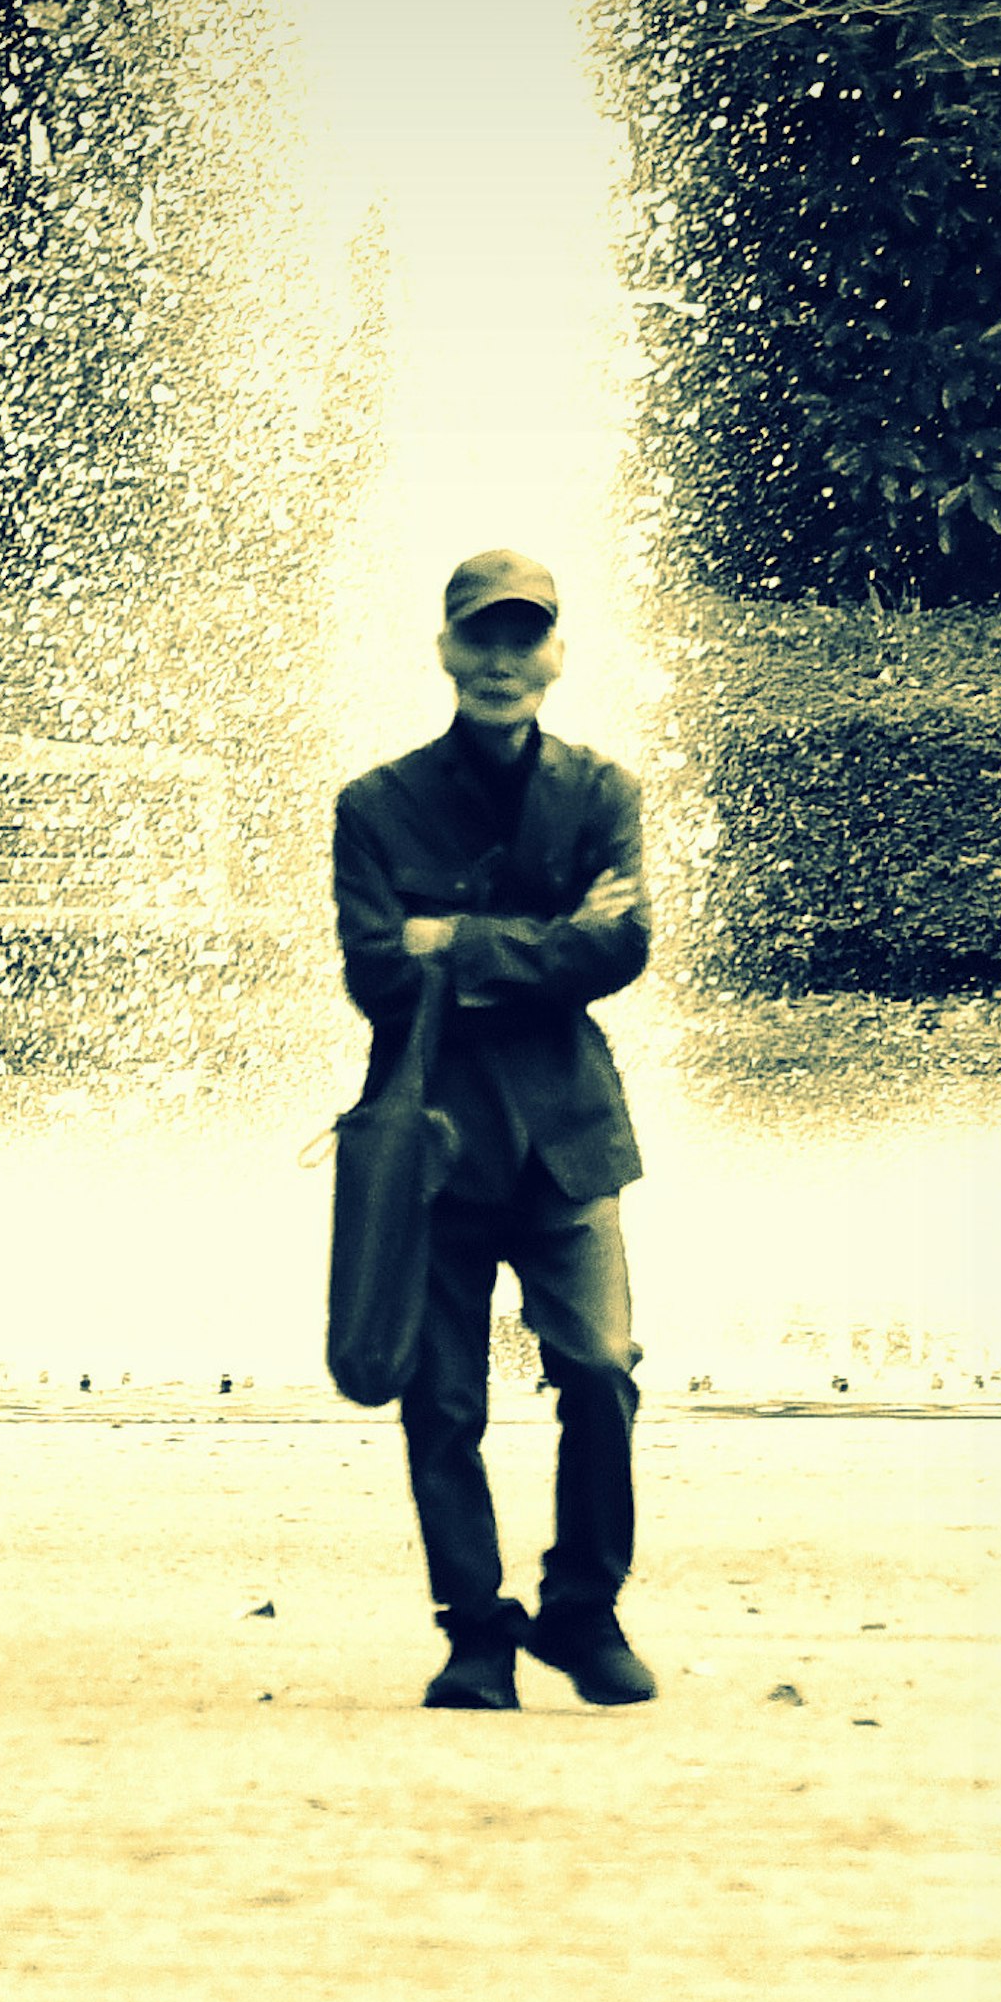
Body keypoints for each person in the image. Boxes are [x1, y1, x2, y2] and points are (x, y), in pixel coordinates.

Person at [330, 547, 657, 1716]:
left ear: (559, 654)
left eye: (526, 636)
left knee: (602, 1373)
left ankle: (585, 1608)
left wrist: (454, 943)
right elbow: (375, 975)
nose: (503, 657)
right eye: (482, 635)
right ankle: (474, 1631)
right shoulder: (374, 806)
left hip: (570, 1135)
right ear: (443, 650)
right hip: (432, 1142)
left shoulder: (604, 792)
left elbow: (621, 947)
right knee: (442, 1400)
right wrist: (539, 940)